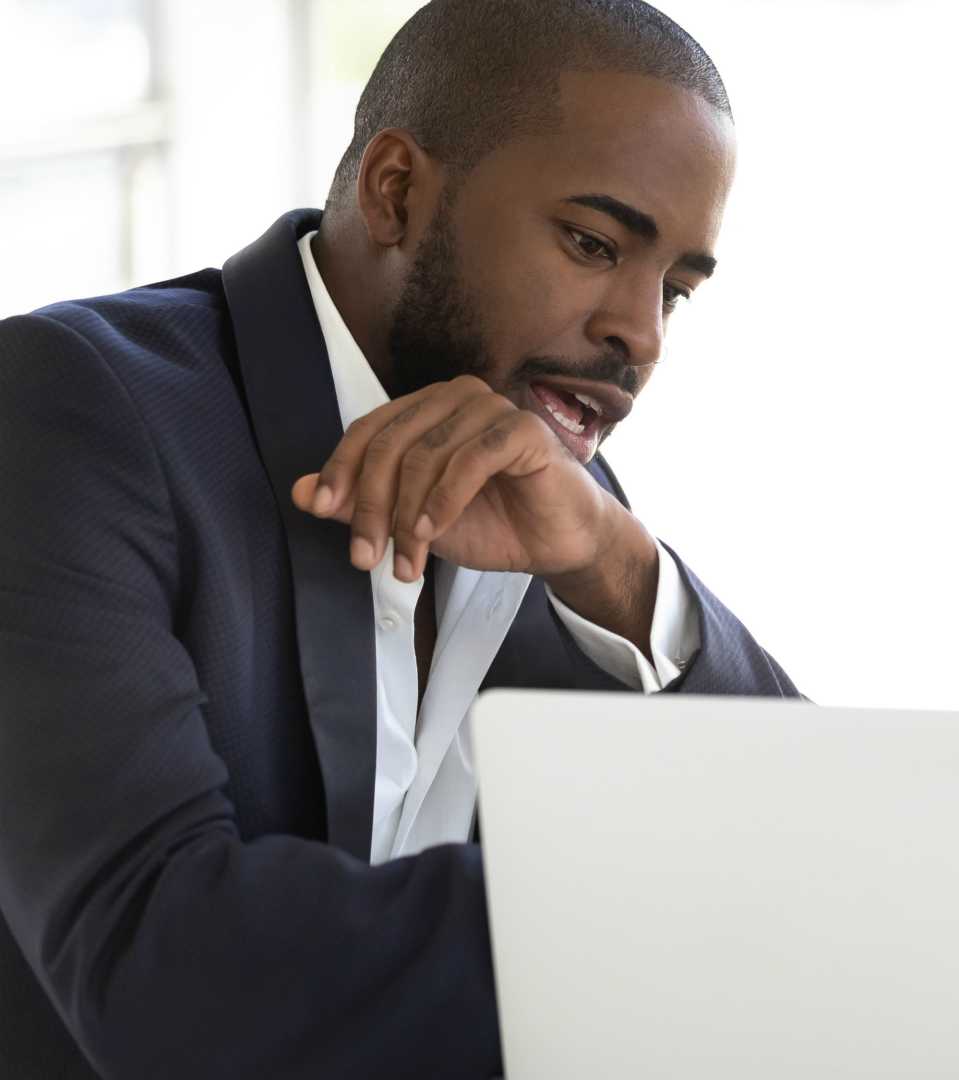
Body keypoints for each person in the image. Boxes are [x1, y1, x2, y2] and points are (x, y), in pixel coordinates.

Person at [0, 2, 800, 1076]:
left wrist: (618, 564)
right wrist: (666, 914)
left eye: (677, 291)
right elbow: (158, 968)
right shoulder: (73, 410)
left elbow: (812, 830)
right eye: (593, 243)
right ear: (395, 193)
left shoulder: (556, 495)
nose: (641, 333)